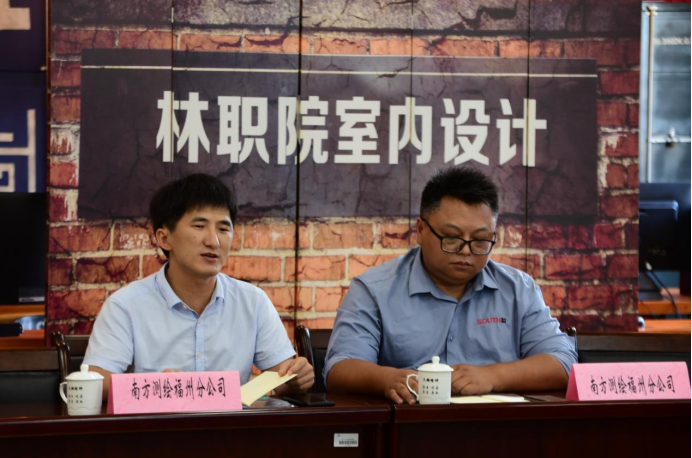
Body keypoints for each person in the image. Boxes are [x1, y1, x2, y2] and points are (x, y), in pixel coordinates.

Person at [325, 166, 577, 404]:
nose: (465, 250)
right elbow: (339, 369)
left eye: (480, 240)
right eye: (452, 237)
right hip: (409, 423)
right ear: (421, 229)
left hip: (499, 426)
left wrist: (492, 376)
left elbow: (563, 363)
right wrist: (387, 379)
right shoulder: (374, 290)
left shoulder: (518, 289)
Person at [83, 174, 314, 399]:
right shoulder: (125, 306)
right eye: (199, 226)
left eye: (223, 229)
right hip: (159, 424)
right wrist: (156, 388)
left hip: (231, 425)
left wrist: (296, 378)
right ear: (164, 238)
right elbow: (95, 381)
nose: (213, 241)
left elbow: (283, 376)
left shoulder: (253, 301)